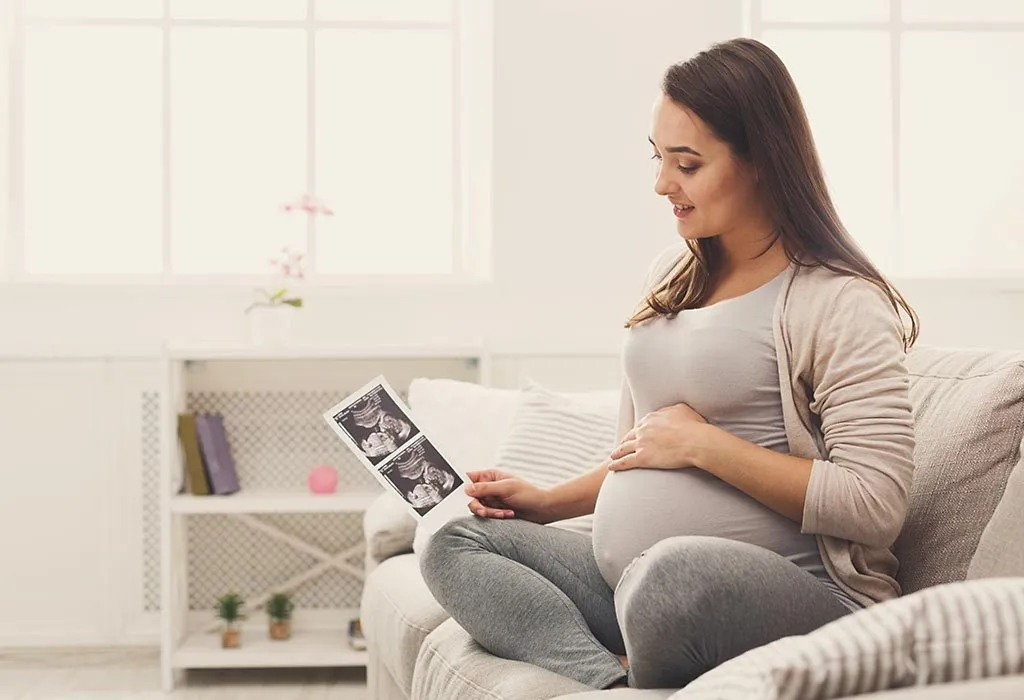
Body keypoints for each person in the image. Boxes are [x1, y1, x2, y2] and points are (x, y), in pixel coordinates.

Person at [419, 37, 918, 691]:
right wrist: (547, 502)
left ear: (763, 159)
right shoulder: (675, 272)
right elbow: (650, 449)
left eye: (687, 163)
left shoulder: (838, 300)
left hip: (795, 599)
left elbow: (876, 503)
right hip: (633, 588)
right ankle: (606, 680)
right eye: (659, 158)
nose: (662, 185)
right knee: (452, 541)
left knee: (670, 576)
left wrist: (706, 446)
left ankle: (637, 649)